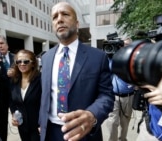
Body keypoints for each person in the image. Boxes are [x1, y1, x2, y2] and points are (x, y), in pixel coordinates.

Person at [38, 2, 114, 141]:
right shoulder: (46, 58)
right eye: (55, 17)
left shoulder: (97, 57)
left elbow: (107, 96)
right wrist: (41, 121)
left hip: (84, 132)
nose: (59, 19)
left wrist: (92, 115)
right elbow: (45, 95)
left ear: (77, 23)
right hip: (50, 132)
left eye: (65, 14)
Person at [103, 37, 136, 141]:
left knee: (125, 122)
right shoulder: (112, 58)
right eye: (122, 45)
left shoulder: (133, 59)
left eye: (126, 45)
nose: (123, 47)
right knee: (112, 122)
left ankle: (123, 138)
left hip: (129, 96)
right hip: (114, 96)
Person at [8, 49, 41, 141]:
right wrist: (14, 114)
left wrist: (43, 123)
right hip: (22, 126)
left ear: (33, 63)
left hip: (38, 127)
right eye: (19, 61)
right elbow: (11, 101)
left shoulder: (40, 79)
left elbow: (46, 102)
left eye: (26, 61)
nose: (22, 64)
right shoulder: (14, 80)